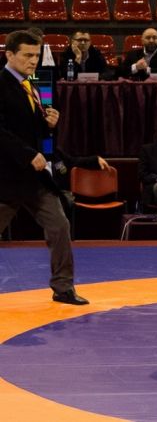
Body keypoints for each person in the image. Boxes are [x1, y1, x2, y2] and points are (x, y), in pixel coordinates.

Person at [0, 30, 89, 305]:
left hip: (35, 178)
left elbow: (30, 129)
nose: (33, 61)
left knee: (59, 225)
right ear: (9, 54)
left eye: (36, 55)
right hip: (6, 178)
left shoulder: (32, 85)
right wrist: (28, 154)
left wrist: (48, 124)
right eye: (27, 55)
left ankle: (63, 287)